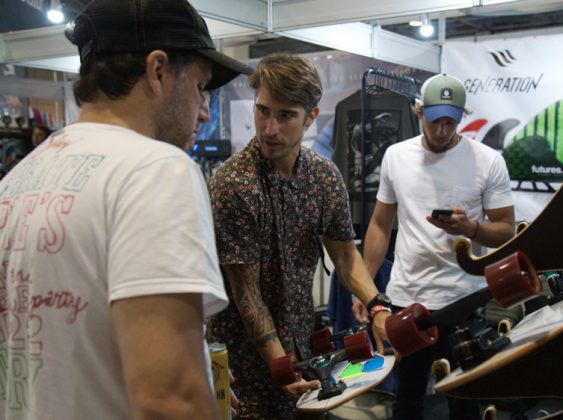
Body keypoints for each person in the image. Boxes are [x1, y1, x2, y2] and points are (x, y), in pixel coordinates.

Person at [0, 1, 250, 419]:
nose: (205, 110)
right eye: (200, 87)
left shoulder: (16, 183)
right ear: (157, 71)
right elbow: (170, 401)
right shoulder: (155, 171)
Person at [208, 53, 392, 419]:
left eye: (285, 115)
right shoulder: (235, 184)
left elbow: (344, 254)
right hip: (244, 362)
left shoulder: (324, 178)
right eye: (263, 111)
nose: (269, 128)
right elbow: (248, 294)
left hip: (305, 346)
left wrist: (377, 307)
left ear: (311, 116)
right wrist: (280, 365)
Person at [353, 73, 516, 419]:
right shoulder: (396, 156)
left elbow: (506, 231)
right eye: (434, 119)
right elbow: (381, 225)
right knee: (408, 401)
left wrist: (470, 227)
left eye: (450, 121)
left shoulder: (487, 161)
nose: (442, 130)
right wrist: (364, 289)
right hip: (407, 298)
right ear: (418, 112)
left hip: (464, 299)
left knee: (465, 401)